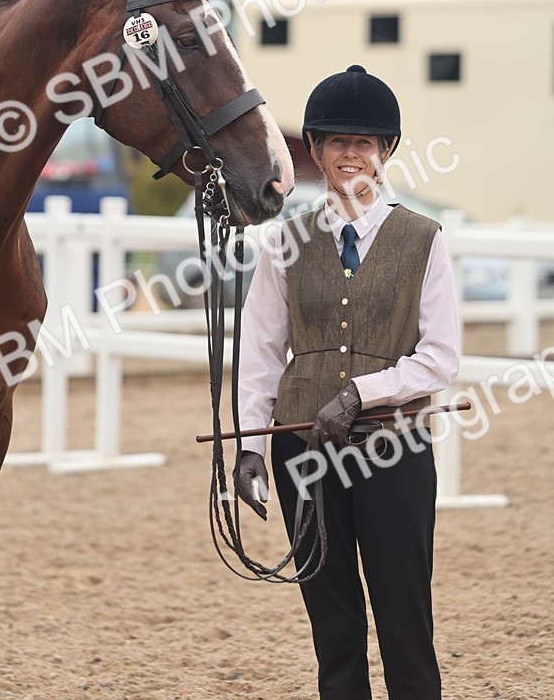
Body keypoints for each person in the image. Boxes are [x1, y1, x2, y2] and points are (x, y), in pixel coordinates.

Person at [234, 64, 460, 700]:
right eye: (337, 141)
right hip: (301, 449)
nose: (350, 154)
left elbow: (440, 358)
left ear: (385, 152)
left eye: (364, 142)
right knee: (332, 625)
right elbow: (261, 352)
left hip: (392, 445)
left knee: (403, 618)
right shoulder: (285, 242)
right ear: (316, 150)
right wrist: (252, 446)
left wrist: (363, 392)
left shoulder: (424, 241)